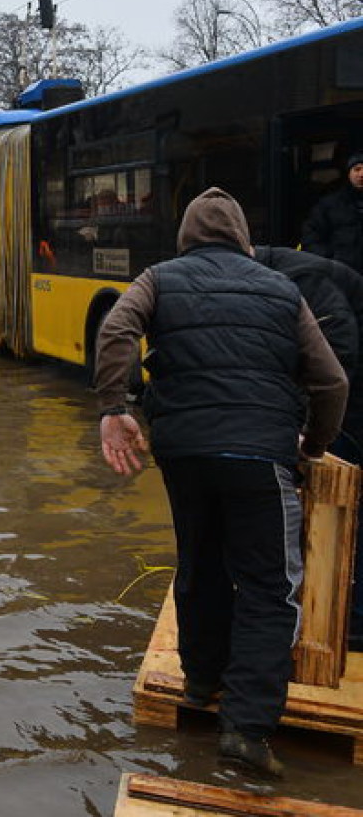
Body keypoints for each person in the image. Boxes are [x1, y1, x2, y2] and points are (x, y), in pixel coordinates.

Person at [96, 187, 347, 780]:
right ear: (241, 237)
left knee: (200, 563)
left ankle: (201, 679)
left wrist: (114, 407)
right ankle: (246, 729)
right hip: (261, 455)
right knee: (267, 587)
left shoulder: (159, 277)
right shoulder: (283, 290)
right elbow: (331, 382)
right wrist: (311, 448)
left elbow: (115, 331)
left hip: (183, 452)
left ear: (186, 235)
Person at [254, 244, 363, 651]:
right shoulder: (272, 278)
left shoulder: (304, 280)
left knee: (347, 504)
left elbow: (337, 359)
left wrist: (309, 431)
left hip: (352, 400)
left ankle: (351, 621)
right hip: (342, 394)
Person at [302, 152, 363, 273]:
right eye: (357, 169)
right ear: (348, 173)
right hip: (341, 276)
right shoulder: (329, 205)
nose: (362, 174)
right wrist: (331, 262)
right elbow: (311, 239)